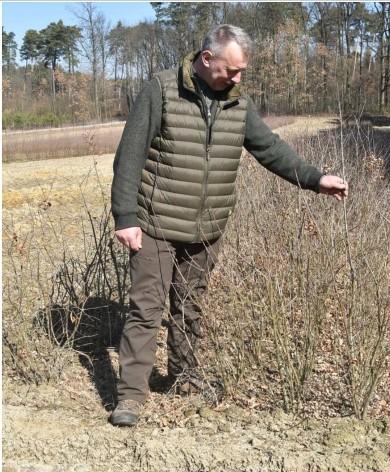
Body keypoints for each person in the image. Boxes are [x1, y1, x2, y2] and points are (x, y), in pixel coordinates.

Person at [109, 24, 348, 427]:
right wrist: (126, 218)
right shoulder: (162, 90)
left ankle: (184, 379)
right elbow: (130, 154)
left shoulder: (238, 102)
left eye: (242, 72)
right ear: (207, 59)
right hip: (156, 224)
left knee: (189, 307)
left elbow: (268, 147)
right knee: (146, 310)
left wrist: (314, 178)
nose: (238, 78)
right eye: (231, 70)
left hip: (207, 228)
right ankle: (131, 397)